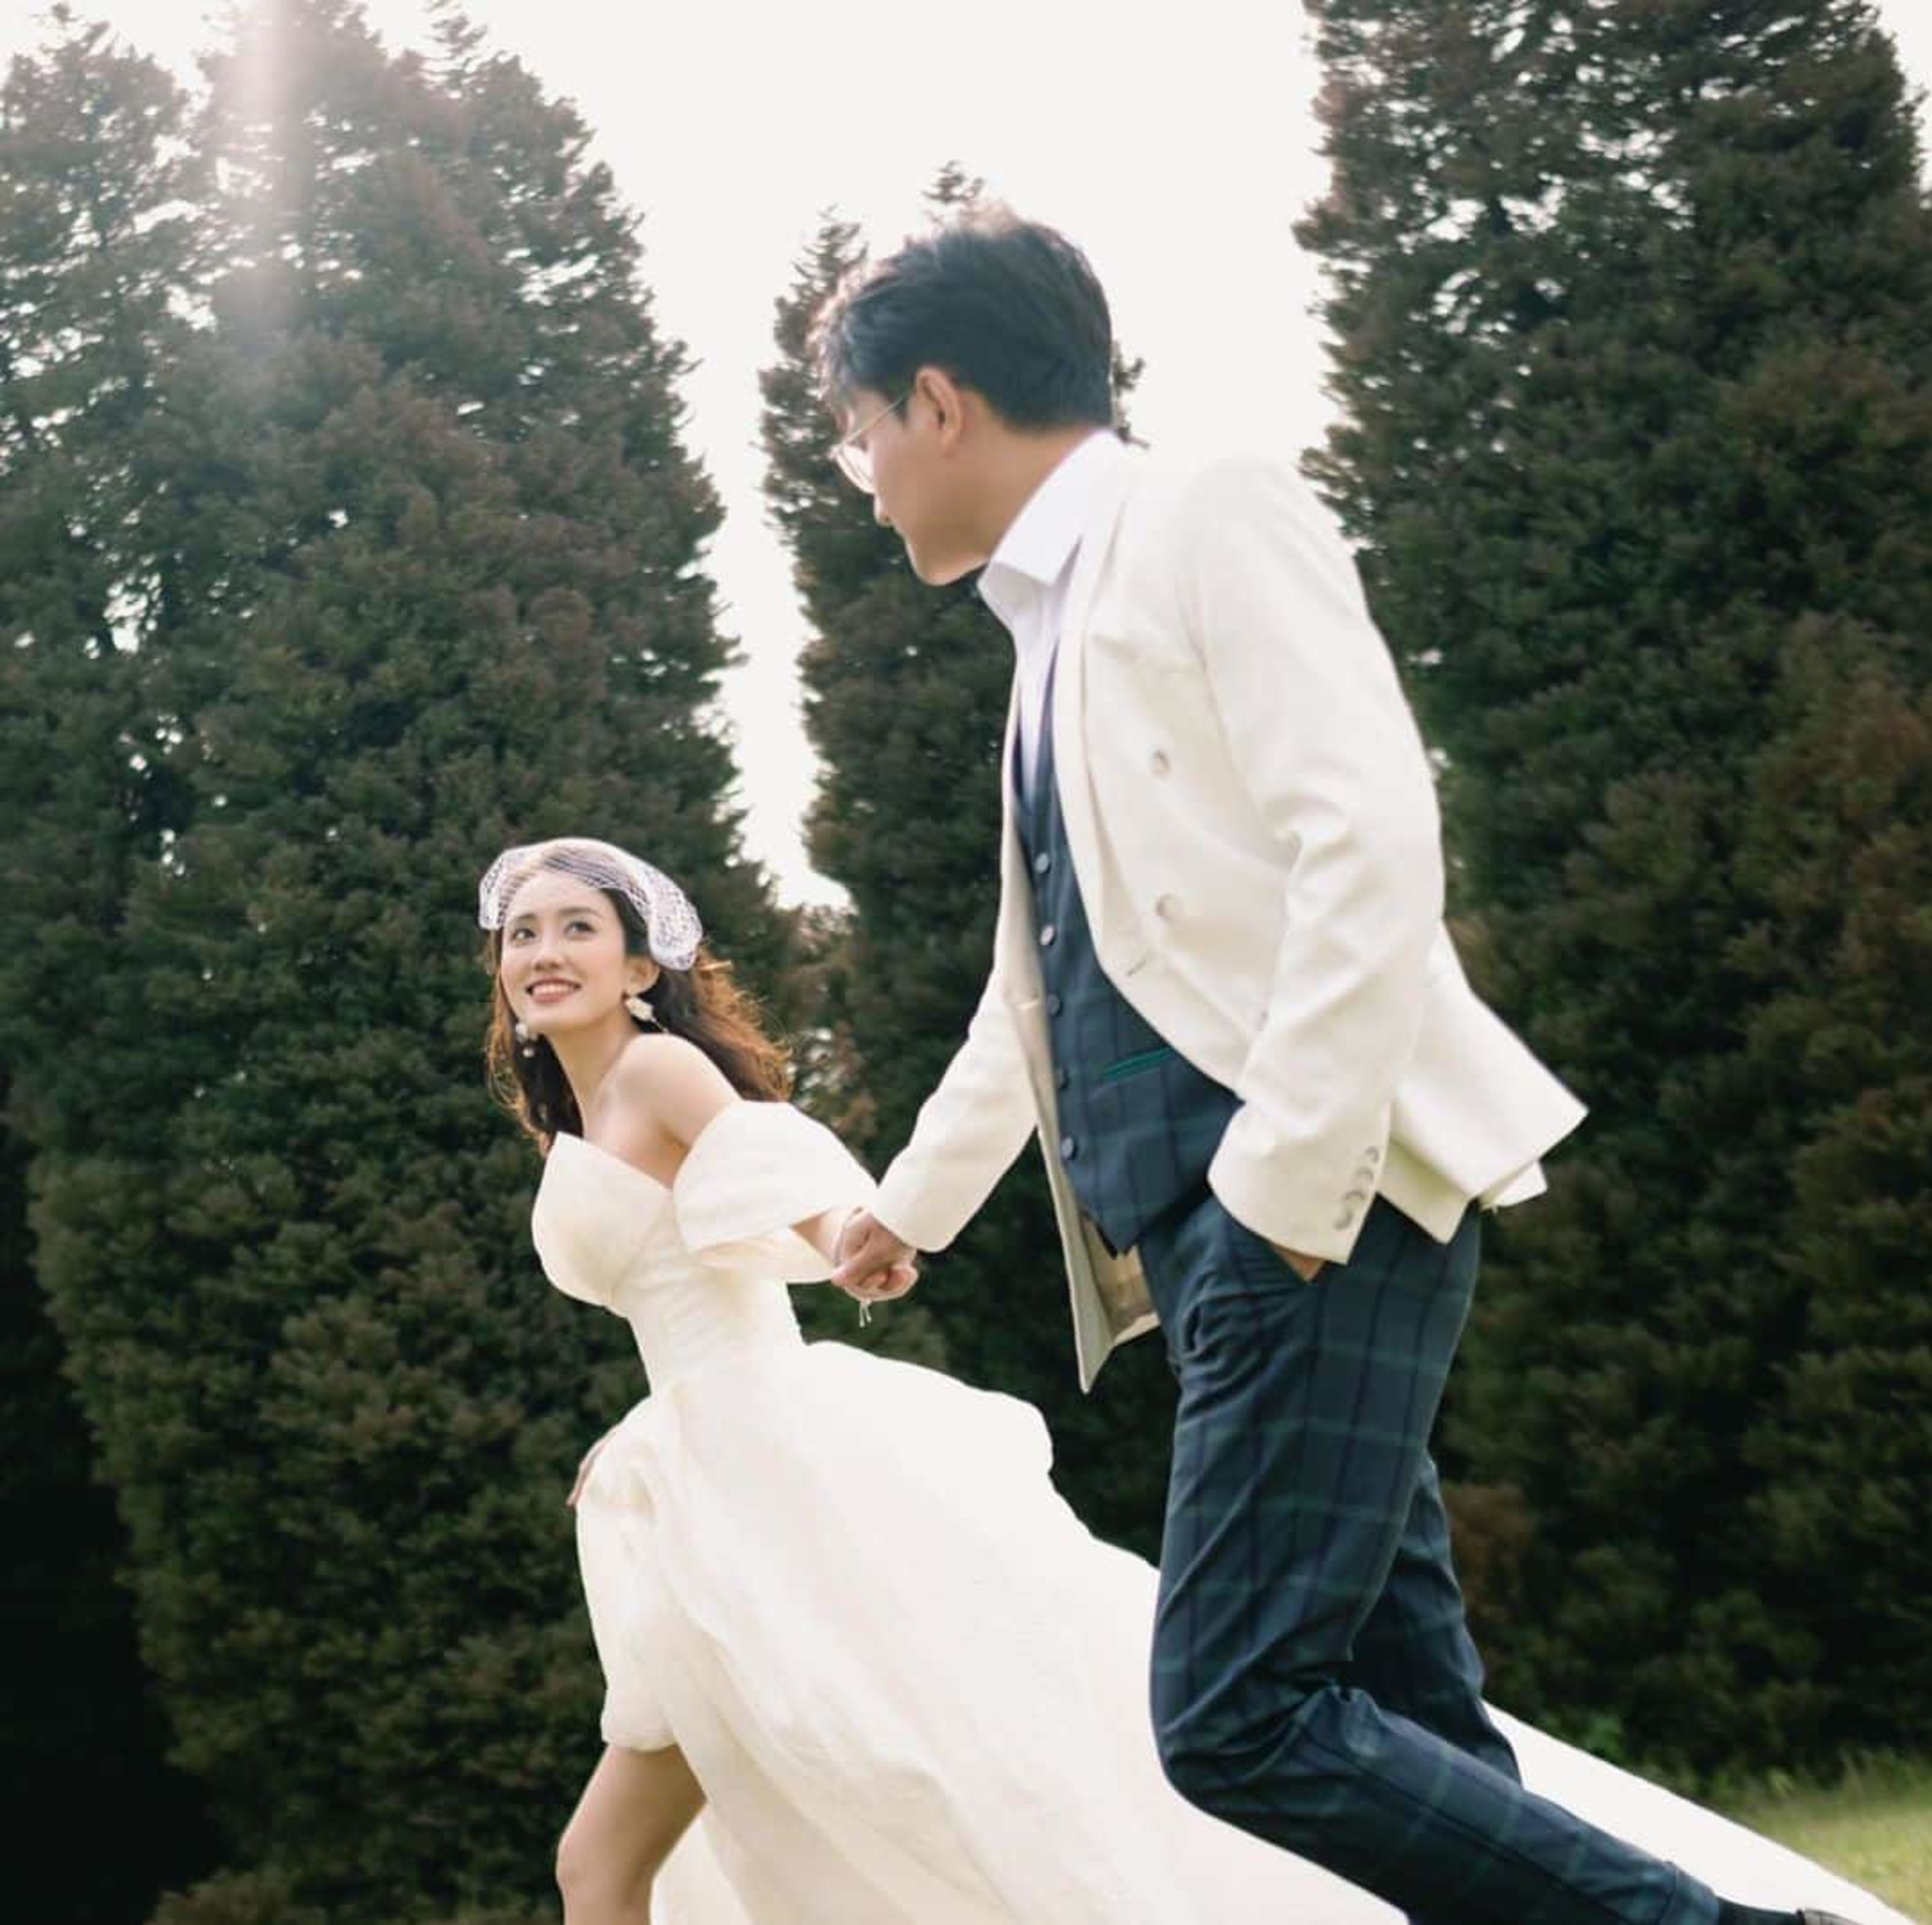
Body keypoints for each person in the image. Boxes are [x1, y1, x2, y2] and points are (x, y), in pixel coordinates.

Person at [818, 211, 1869, 1925]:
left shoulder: (1207, 514)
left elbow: (1369, 839)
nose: (857, 476)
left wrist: (1285, 1194)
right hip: (1218, 1236)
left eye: (857, 429)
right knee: (1415, 1718)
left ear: (938, 399)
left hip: (1305, 1206)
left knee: (1234, 1712)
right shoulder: (1040, 638)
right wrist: (912, 1210)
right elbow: (1046, 981)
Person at [479, 835, 1897, 1925]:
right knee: (612, 1858)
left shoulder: (662, 1078)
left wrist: (866, 1233)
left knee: (938, 1772)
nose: (546, 950)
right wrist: (644, 1439)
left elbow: (784, 1190)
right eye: (524, 931)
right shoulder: (570, 1118)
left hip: (783, 1475)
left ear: (640, 963)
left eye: (577, 928)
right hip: (693, 1489)